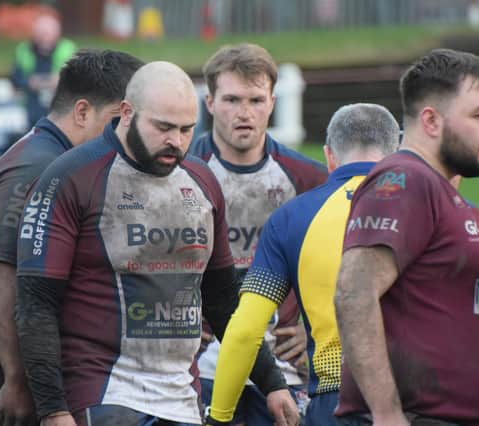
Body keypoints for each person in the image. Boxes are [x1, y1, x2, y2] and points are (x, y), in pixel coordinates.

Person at [15, 61, 298, 426]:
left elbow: (224, 300)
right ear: (127, 113)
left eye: (186, 129)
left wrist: (271, 383)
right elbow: (35, 304)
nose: (176, 142)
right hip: (103, 396)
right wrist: (53, 409)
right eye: (163, 127)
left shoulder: (201, 181)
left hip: (181, 398)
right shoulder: (71, 177)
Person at [0, 49, 145, 426]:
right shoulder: (38, 166)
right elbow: (0, 272)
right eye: (119, 121)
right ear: (82, 112)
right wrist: (18, 380)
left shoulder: (55, 157)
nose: (127, 135)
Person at [334, 49, 479, 425]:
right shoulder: (405, 180)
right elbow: (354, 293)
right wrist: (386, 412)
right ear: (431, 120)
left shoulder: (462, 207)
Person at [206, 103, 399, 426]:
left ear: (329, 155)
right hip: (422, 395)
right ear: (395, 154)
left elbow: (244, 331)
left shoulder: (292, 218)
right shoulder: (435, 206)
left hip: (339, 400)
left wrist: (220, 416)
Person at [189, 43, 328, 425]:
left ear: (271, 103)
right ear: (210, 102)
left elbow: (342, 262)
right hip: (202, 363)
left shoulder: (310, 179)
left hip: (286, 364)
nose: (244, 112)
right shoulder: (180, 174)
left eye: (255, 99)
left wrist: (313, 326)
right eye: (232, 99)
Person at [11, 13, 76, 128]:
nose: (45, 39)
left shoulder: (68, 49)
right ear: (34, 35)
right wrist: (29, 82)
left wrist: (61, 80)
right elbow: (16, 77)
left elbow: (78, 77)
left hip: (60, 105)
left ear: (57, 34)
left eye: (48, 34)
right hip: (31, 105)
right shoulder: (24, 50)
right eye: (41, 34)